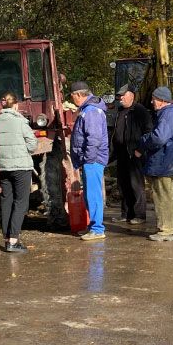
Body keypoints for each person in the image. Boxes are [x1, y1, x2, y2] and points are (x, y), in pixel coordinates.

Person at [135, 86, 173, 242]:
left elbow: (159, 138)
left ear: (162, 100)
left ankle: (165, 231)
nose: (152, 102)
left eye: (154, 99)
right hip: (171, 161)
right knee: (168, 196)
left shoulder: (167, 115)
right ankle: (171, 229)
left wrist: (143, 142)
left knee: (162, 197)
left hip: (163, 162)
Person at [0, 92, 37, 253]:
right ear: (16, 105)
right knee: (21, 202)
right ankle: (13, 240)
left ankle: (6, 238)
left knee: (7, 201)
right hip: (21, 167)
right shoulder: (20, 121)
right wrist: (26, 151)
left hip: (4, 167)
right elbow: (32, 143)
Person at [68, 81, 109, 241]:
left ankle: (97, 229)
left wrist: (88, 160)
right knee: (89, 195)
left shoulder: (91, 111)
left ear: (78, 94)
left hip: (93, 160)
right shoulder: (88, 110)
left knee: (93, 195)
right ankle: (93, 227)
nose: (72, 100)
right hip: (90, 159)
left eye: (72, 96)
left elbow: (94, 139)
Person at [110, 83, 153, 224]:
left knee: (136, 185)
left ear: (131, 96)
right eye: (119, 96)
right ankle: (126, 214)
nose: (120, 98)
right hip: (121, 153)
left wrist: (140, 150)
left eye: (123, 95)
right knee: (123, 185)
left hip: (135, 155)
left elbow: (149, 132)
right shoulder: (120, 111)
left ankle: (139, 215)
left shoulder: (140, 111)